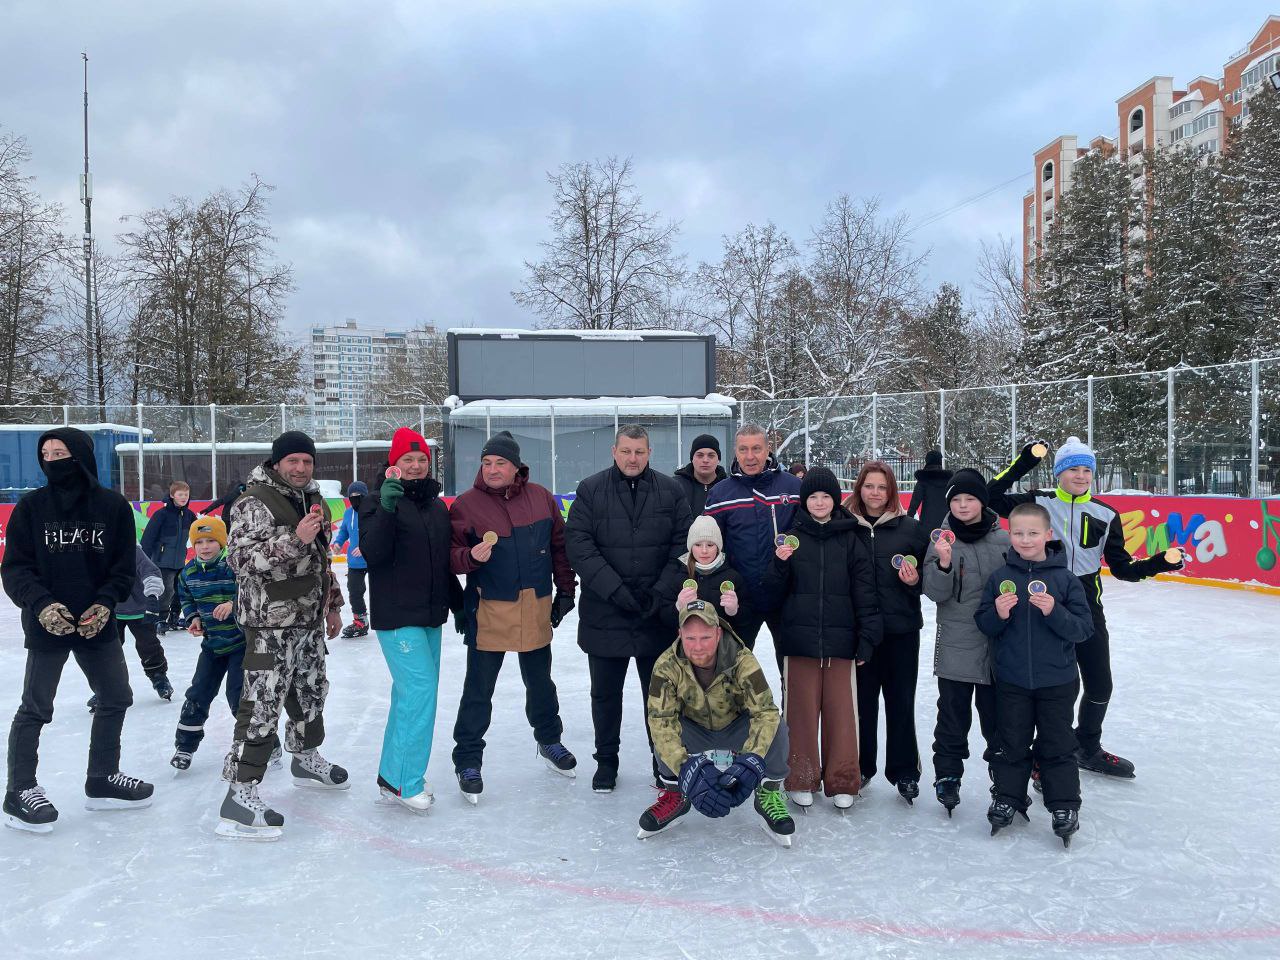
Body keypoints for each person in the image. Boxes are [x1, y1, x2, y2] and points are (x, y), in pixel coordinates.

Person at [987, 437, 1183, 779]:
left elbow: (1122, 568)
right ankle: (1036, 753)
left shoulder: (1107, 514)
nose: (1080, 476)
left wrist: (1159, 563)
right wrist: (1026, 461)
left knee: (1099, 685)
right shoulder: (1039, 502)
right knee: (1045, 684)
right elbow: (989, 497)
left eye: (1086, 470)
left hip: (1086, 606)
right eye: (1073, 469)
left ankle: (1087, 747)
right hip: (1038, 599)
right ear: (1059, 473)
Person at [3, 428, 154, 833]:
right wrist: (41, 605)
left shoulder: (112, 507)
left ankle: (102, 776)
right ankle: (19, 789)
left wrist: (106, 604)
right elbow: (16, 569)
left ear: (81, 456)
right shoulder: (31, 508)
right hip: (47, 622)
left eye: (61, 452)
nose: (53, 460)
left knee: (115, 696)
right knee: (36, 707)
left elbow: (124, 568)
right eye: (46, 454)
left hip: (95, 624)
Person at [216, 430, 347, 841]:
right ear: (276, 463)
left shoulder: (312, 499)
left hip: (308, 620)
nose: (301, 468)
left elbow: (322, 558)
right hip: (270, 624)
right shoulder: (253, 501)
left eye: (307, 462)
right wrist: (295, 539)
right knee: (261, 702)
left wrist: (333, 605)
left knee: (311, 691)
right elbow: (240, 560)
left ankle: (305, 757)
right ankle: (240, 791)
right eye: (293, 461)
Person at [449, 431, 578, 802]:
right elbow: (451, 556)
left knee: (541, 684)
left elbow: (559, 547)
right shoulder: (466, 505)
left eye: (500, 462)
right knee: (478, 690)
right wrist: (471, 557)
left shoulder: (540, 498)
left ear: (516, 466)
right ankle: (468, 759)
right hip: (489, 608)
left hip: (534, 606)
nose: (492, 469)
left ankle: (549, 740)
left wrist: (566, 590)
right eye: (487, 462)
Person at [564, 424, 693, 793]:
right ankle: (606, 762)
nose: (632, 458)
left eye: (639, 452)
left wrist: (661, 592)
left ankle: (662, 760)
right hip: (606, 612)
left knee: (660, 698)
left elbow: (683, 546)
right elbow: (580, 547)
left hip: (655, 615)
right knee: (605, 695)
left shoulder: (671, 491)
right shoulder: (590, 490)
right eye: (626, 451)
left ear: (649, 453)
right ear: (614, 451)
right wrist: (616, 590)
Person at [763, 467, 882, 811]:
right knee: (799, 714)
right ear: (804, 501)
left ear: (835, 500)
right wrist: (779, 564)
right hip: (799, 644)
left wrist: (867, 635)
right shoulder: (791, 537)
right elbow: (771, 595)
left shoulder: (851, 538)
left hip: (841, 644)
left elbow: (865, 591)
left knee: (842, 715)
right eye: (812, 496)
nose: (818, 502)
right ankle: (800, 776)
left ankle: (843, 779)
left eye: (825, 496)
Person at [975, 502, 1093, 846]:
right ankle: (1009, 798)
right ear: (1009, 535)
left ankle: (1064, 804)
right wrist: (997, 613)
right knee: (1011, 743)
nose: (1025, 540)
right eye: (1018, 533)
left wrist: (1055, 611)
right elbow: (984, 624)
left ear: (1048, 535)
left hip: (1057, 680)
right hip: (1012, 680)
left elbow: (1083, 630)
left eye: (1033, 533)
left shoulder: (1065, 579)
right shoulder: (1001, 578)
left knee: (1057, 744)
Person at [358, 427, 463, 814]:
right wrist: (385, 508)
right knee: (420, 694)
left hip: (430, 615)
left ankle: (391, 776)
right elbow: (373, 553)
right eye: (408, 460)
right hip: (398, 616)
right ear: (394, 465)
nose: (416, 466)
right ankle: (406, 782)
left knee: (409, 697)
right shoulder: (373, 503)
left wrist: (459, 604)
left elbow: (440, 562)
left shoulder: (437, 507)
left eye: (421, 460)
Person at [640, 601, 795, 845]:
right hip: (694, 730)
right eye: (690, 638)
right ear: (680, 635)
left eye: (705, 637)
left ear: (718, 632)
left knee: (776, 726)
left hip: (736, 727)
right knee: (663, 728)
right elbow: (660, 720)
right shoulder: (666, 665)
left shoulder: (742, 659)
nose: (698, 646)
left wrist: (752, 759)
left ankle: (769, 793)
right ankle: (675, 795)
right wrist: (686, 770)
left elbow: (764, 711)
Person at [921, 468, 1009, 815]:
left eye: (969, 498)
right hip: (957, 641)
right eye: (956, 499)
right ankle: (947, 776)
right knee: (952, 717)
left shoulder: (1004, 539)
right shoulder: (940, 540)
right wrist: (943, 562)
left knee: (999, 719)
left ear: (982, 501)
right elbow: (933, 593)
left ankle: (1004, 776)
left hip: (997, 645)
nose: (962, 505)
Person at [846, 460, 929, 803]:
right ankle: (861, 767)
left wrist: (915, 582)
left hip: (901, 631)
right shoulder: (845, 526)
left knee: (900, 702)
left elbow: (931, 576)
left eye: (882, 487)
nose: (875, 493)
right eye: (869, 486)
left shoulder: (911, 529)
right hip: (862, 633)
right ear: (859, 489)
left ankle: (905, 770)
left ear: (891, 491)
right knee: (862, 705)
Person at [703, 423, 802, 652]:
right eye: (743, 449)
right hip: (741, 596)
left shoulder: (793, 486)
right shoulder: (720, 493)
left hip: (785, 595)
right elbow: (710, 545)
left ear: (768, 450)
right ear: (735, 452)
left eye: (756, 448)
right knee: (734, 666)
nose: (750, 456)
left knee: (791, 667)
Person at [171, 516, 247, 771]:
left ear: (222, 542)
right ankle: (185, 746)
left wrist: (233, 605)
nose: (205, 547)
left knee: (238, 696)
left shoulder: (234, 567)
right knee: (198, 693)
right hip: (212, 645)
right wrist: (193, 618)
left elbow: (253, 594)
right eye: (199, 542)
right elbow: (186, 599)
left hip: (240, 644)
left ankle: (262, 742)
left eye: (211, 541)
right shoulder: (188, 572)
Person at [87, 546, 171, 710]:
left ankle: (159, 676)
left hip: (140, 609)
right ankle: (106, 687)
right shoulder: (94, 550)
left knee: (148, 645)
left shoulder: (132, 550)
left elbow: (150, 572)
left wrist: (152, 596)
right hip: (110, 609)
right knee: (108, 649)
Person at [654, 515, 749, 636]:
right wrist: (678, 607)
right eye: (698, 545)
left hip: (723, 648)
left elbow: (747, 620)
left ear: (718, 547)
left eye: (710, 545)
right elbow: (664, 618)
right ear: (690, 547)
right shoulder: (678, 576)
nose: (704, 551)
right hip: (688, 650)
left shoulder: (733, 577)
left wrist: (735, 611)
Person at [139, 480, 198, 633]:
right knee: (166, 592)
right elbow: (148, 538)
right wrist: (144, 562)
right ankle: (160, 619)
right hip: (162, 561)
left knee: (181, 590)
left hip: (179, 561)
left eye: (186, 494)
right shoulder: (161, 515)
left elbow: (199, 532)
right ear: (172, 496)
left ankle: (174, 617)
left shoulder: (189, 515)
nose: (184, 497)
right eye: (180, 494)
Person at [332, 480, 369, 638]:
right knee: (355, 591)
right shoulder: (348, 513)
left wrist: (365, 547)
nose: (356, 499)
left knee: (383, 591)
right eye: (352, 496)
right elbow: (344, 532)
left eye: (359, 496)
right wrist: (338, 543)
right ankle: (360, 622)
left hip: (375, 559)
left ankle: (391, 619)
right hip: (355, 562)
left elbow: (380, 533)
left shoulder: (373, 511)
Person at [673, 434, 726, 517]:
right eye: (700, 455)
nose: (705, 460)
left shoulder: (728, 487)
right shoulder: (676, 486)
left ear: (718, 459)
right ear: (692, 459)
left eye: (711, 455)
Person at [907, 450, 953, 535]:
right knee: (945, 545)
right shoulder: (948, 480)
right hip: (946, 522)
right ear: (940, 461)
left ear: (927, 461)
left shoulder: (923, 479)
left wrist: (907, 521)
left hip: (927, 522)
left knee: (926, 546)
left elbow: (914, 503)